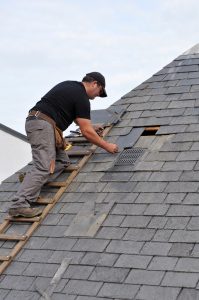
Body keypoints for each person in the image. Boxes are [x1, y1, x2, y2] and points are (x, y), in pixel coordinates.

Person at [9, 72, 118, 218]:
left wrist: (93, 127)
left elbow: (78, 121)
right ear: (95, 84)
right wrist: (107, 146)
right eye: (100, 91)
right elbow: (86, 131)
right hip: (43, 125)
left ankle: (30, 181)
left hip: (41, 123)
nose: (97, 95)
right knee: (45, 166)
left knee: (62, 162)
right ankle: (19, 204)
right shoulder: (82, 97)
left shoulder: (70, 86)